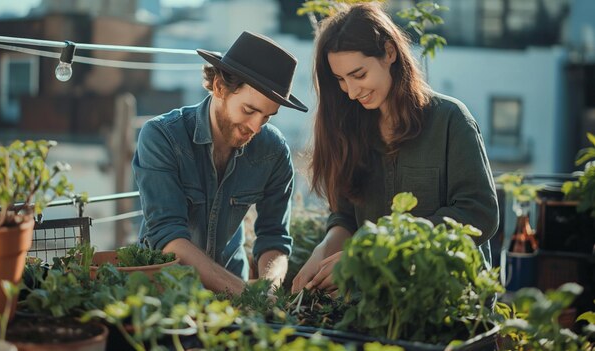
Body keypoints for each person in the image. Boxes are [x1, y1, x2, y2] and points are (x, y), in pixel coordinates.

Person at [291, 3, 499, 294]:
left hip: (452, 305)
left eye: (359, 74)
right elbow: (346, 216)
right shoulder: (349, 127)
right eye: (340, 80)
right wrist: (324, 251)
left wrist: (370, 252)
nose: (351, 91)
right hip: (377, 305)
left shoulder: (451, 120)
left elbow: (479, 214)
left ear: (389, 52)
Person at [133, 31, 308, 294]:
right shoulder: (163, 136)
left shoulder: (273, 151)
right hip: (165, 290)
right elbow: (168, 236)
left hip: (233, 283)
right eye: (249, 110)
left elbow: (274, 237)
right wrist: (244, 293)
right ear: (219, 87)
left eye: (267, 117)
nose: (255, 127)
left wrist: (269, 288)